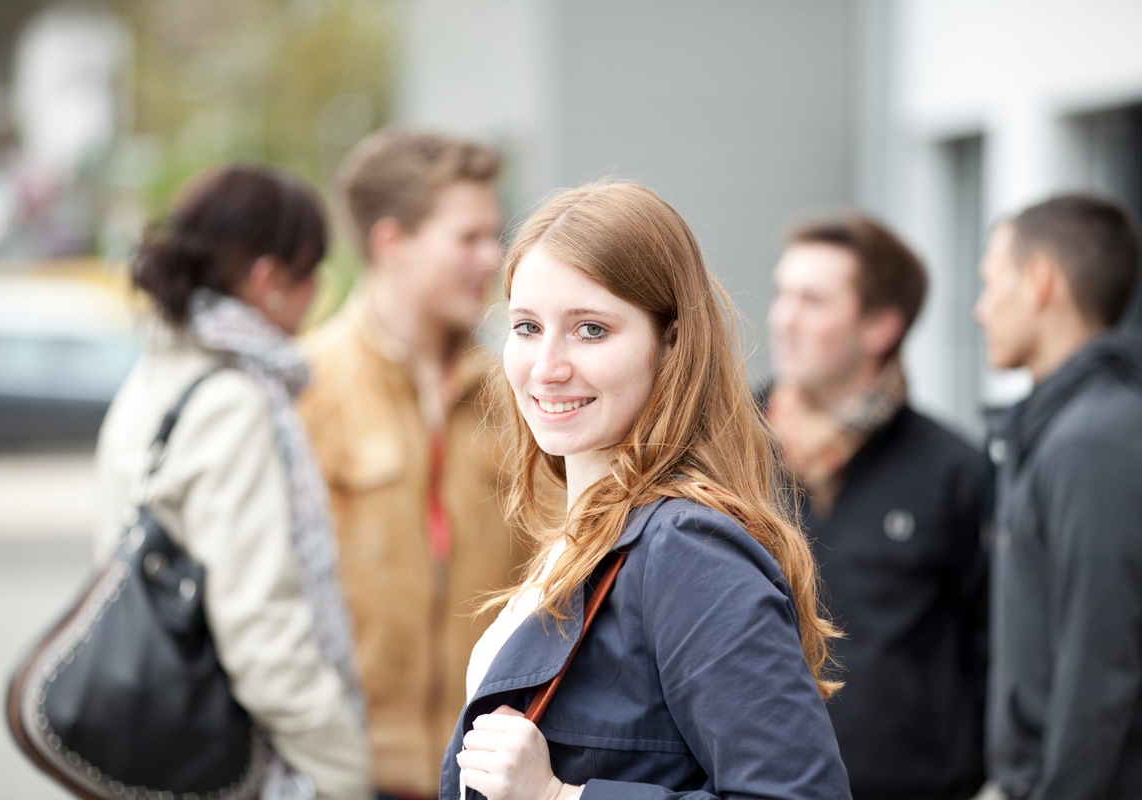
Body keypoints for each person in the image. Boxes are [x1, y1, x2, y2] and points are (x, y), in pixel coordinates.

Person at [442, 181, 850, 800]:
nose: (547, 366)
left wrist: (560, 797)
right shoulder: (593, 533)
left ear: (671, 343)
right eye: (527, 327)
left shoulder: (687, 548)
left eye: (590, 330)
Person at [94, 165, 370, 799]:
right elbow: (263, 631)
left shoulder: (156, 374)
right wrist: (346, 770)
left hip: (169, 742)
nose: (319, 292)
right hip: (245, 762)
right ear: (269, 280)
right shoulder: (236, 402)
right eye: (311, 273)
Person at [297, 129, 528, 800]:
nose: (494, 256)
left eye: (495, 234)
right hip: (345, 779)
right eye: (469, 237)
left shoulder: (520, 394)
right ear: (391, 243)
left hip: (493, 779)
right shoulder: (303, 390)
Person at [763, 216, 990, 800]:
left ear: (881, 326)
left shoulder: (954, 472)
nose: (783, 319)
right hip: (749, 784)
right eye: (781, 294)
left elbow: (991, 652)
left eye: (812, 301)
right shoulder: (726, 451)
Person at [975, 193, 1142, 800]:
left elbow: (1100, 667)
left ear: (1041, 282)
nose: (980, 309)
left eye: (991, 284)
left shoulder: (1090, 445)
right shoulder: (1064, 431)